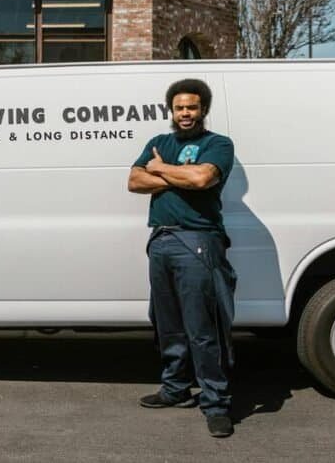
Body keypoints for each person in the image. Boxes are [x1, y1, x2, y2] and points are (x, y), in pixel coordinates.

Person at [127, 78, 238, 438]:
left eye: (191, 107)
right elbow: (133, 180)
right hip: (161, 241)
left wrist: (159, 169)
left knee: (203, 328)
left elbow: (203, 178)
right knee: (167, 323)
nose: (185, 113)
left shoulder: (218, 144)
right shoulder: (159, 142)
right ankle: (174, 388)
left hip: (198, 242)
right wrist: (176, 176)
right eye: (179, 108)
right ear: (171, 111)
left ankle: (216, 403)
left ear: (203, 109)